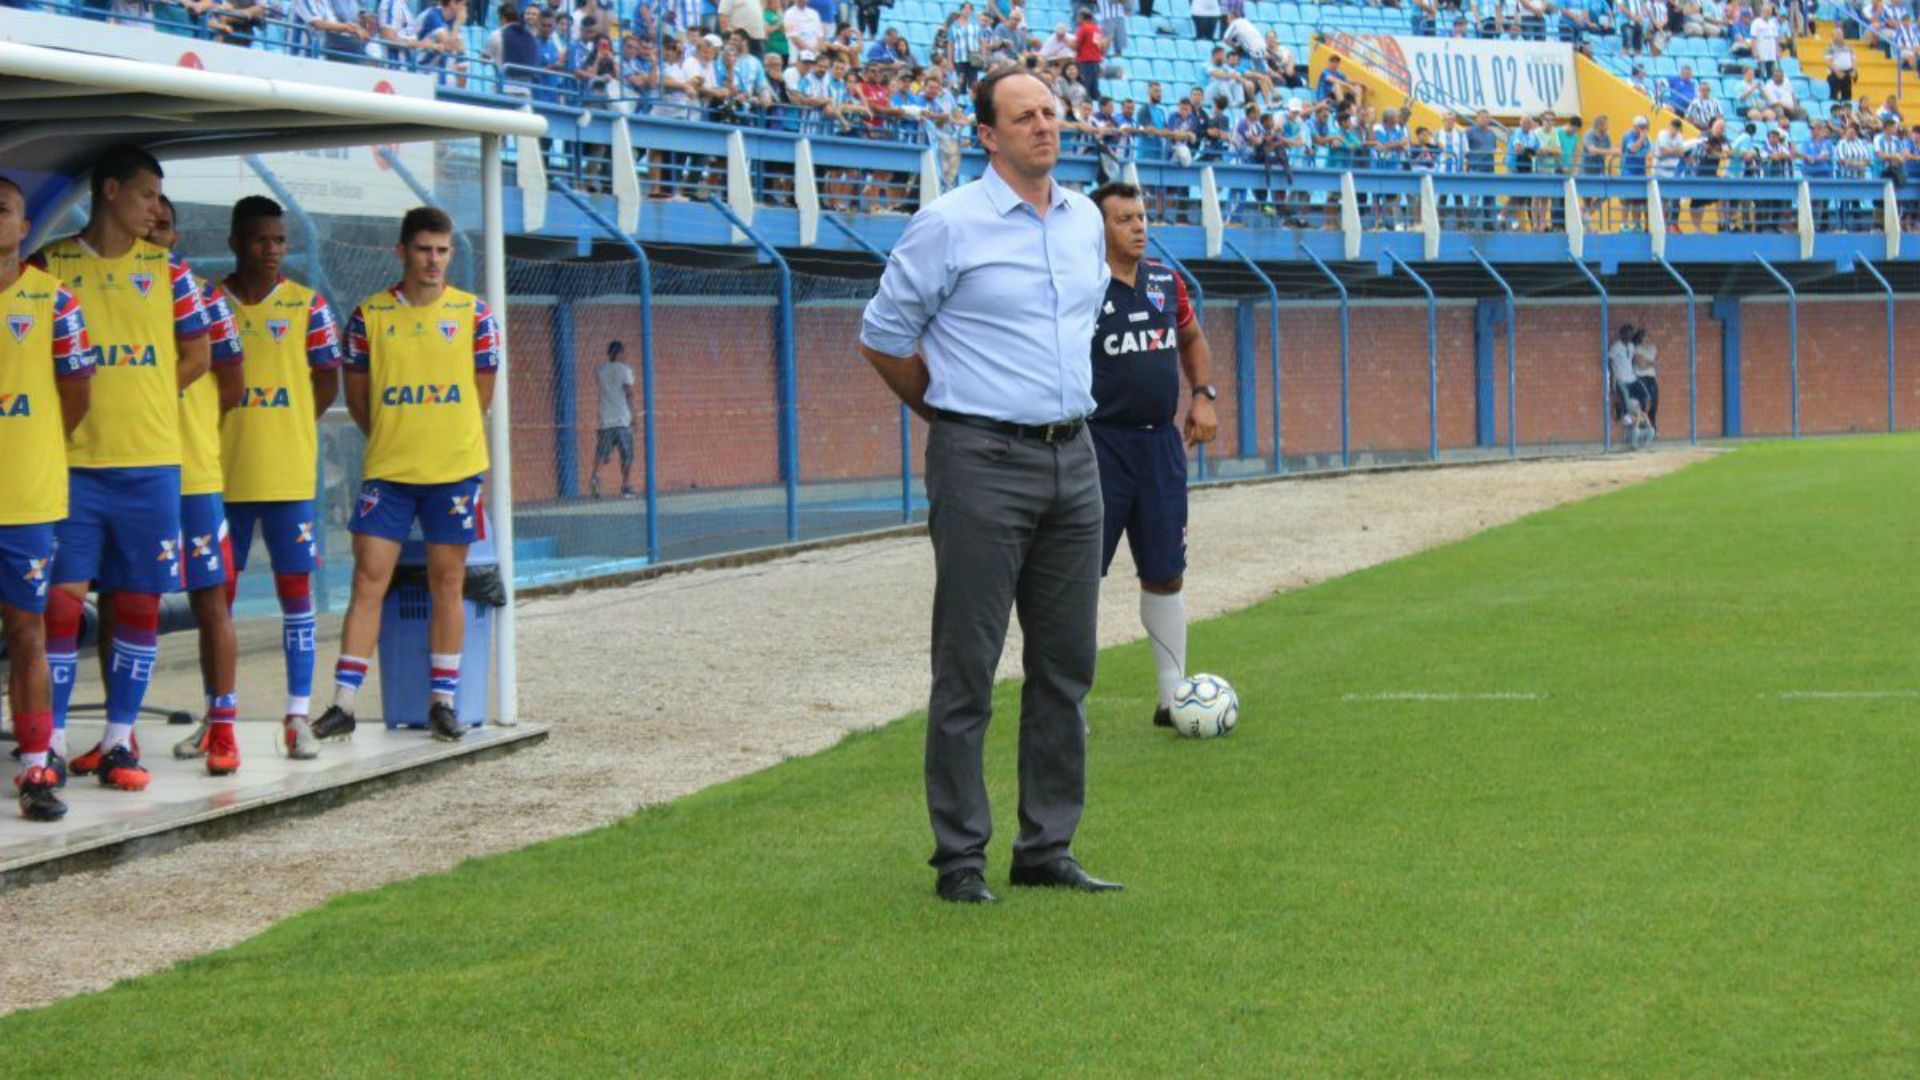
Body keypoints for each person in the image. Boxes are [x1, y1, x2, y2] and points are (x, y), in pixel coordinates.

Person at [859, 68, 1120, 904]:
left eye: (1052, 112)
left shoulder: (1084, 221)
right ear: (988, 134)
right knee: (967, 668)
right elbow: (884, 336)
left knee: (1066, 666)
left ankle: (1046, 846)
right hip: (981, 460)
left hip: (1075, 459)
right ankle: (960, 858)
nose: (1046, 126)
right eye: (1025, 117)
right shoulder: (948, 225)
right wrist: (950, 416)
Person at [30, 144, 212, 793]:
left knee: (137, 602)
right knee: (60, 603)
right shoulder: (52, 266)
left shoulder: (171, 272)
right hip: (73, 468)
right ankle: (46, 744)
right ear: (110, 192)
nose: (154, 210)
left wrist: (151, 393)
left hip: (152, 465)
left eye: (159, 200)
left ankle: (116, 742)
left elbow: (199, 352)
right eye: (144, 196)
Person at [312, 207, 500, 745]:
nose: (434, 260)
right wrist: (399, 437)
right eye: (423, 249)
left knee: (448, 583)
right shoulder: (369, 317)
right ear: (401, 252)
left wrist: (448, 439)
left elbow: (481, 396)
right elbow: (361, 399)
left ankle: (443, 702)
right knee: (368, 581)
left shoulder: (475, 315)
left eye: (442, 251)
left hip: (454, 472)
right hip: (389, 473)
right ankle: (344, 704)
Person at [106, 196, 247, 777]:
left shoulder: (204, 296)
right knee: (120, 596)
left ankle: (223, 727)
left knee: (210, 599)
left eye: (165, 226)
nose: (156, 233)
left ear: (175, 231)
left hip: (192, 475)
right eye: (150, 224)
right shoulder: (109, 289)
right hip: (129, 470)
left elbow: (233, 384)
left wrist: (190, 431)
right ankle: (121, 733)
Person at [214, 196, 342, 761]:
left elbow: (327, 382)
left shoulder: (307, 307)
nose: (272, 251)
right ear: (236, 242)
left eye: (280, 241)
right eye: (261, 240)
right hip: (222, 479)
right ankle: (218, 719)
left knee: (297, 601)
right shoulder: (208, 303)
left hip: (288, 478)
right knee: (217, 603)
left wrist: (288, 426)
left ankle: (296, 716)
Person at [1086, 182, 1217, 730]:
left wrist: (1203, 395)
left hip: (1160, 445)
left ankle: (1173, 699)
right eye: (1124, 219)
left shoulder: (1166, 281)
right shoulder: (1081, 286)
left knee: (1165, 573)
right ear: (1100, 229)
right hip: (1097, 445)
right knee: (1076, 577)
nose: (1138, 226)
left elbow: (1190, 338)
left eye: (1141, 217)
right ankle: (1066, 707)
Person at [0, 175, 93, 821]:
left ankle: (36, 764)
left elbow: (75, 394)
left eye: (0, 209)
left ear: (23, 226)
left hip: (28, 499)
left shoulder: (54, 302)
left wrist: (32, 445)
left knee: (27, 632)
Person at [591, 339, 637, 498]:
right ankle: (626, 485)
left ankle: (595, 475)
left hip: (605, 419)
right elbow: (629, 393)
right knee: (627, 455)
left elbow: (601, 384)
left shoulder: (600, 370)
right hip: (622, 419)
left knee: (602, 454)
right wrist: (635, 416)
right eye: (624, 353)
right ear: (620, 353)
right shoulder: (625, 370)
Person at [1609, 322, 1652, 444]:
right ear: (1622, 335)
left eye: (1630, 334)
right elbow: (1608, 360)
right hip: (1621, 380)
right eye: (1626, 334)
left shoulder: (1631, 346)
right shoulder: (1616, 347)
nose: (1628, 337)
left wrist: (1641, 332)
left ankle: (1642, 421)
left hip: (1632, 378)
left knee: (1646, 397)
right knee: (1627, 404)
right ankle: (1625, 417)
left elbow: (1638, 340)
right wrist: (1612, 374)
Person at [1632, 326, 1659, 428]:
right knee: (1643, 401)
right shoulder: (1637, 349)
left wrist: (1647, 361)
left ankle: (1652, 424)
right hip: (1641, 377)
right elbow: (1641, 365)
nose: (1648, 339)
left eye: (1648, 337)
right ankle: (1642, 424)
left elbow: (1656, 363)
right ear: (1640, 338)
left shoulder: (1653, 348)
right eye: (1645, 337)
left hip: (1651, 377)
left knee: (1654, 401)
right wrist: (1651, 363)